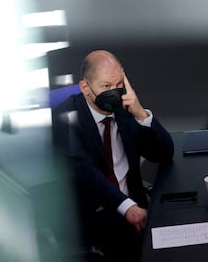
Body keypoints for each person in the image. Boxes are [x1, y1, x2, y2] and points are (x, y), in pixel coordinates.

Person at [52, 50, 174, 261]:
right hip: (95, 218)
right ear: (85, 87)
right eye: (106, 87)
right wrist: (127, 208)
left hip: (137, 209)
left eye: (119, 85)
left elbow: (163, 152)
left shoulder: (125, 109)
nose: (114, 93)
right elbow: (86, 171)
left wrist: (141, 113)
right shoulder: (66, 117)